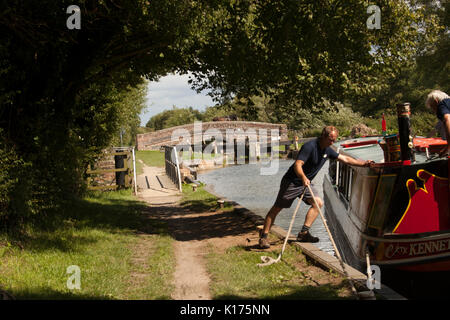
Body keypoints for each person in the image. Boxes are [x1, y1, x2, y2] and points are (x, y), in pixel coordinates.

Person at [259, 126, 373, 249]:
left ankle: (303, 233)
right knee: (277, 209)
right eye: (331, 140)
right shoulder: (309, 147)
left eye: (334, 140)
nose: (332, 143)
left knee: (318, 202)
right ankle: (264, 237)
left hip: (306, 183)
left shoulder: (327, 150)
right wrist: (303, 177)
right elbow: (298, 164)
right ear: (323, 136)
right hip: (292, 182)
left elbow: (344, 158)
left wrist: (364, 163)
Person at [425, 90, 450, 156]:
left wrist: (448, 147)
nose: (433, 110)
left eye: (432, 106)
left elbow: (447, 119)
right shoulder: (448, 103)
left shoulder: (441, 105)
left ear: (436, 101)